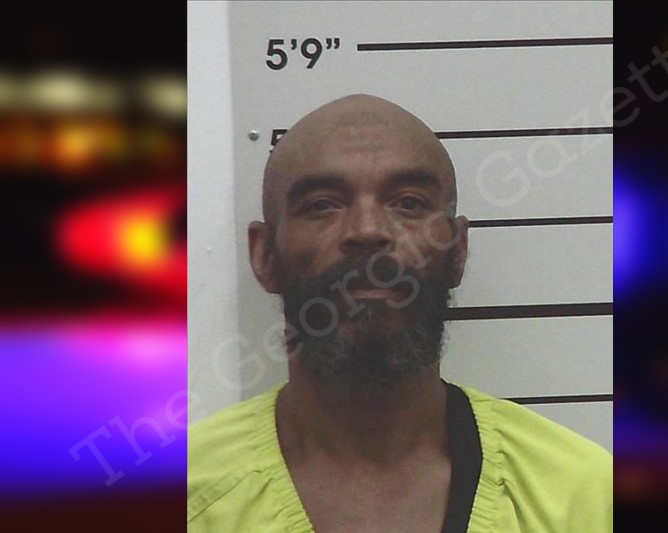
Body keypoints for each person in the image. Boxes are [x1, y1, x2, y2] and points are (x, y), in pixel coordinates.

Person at [187, 94, 611, 532]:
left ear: (457, 250)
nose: (368, 230)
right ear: (264, 255)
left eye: (408, 202)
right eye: (321, 204)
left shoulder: (581, 497)